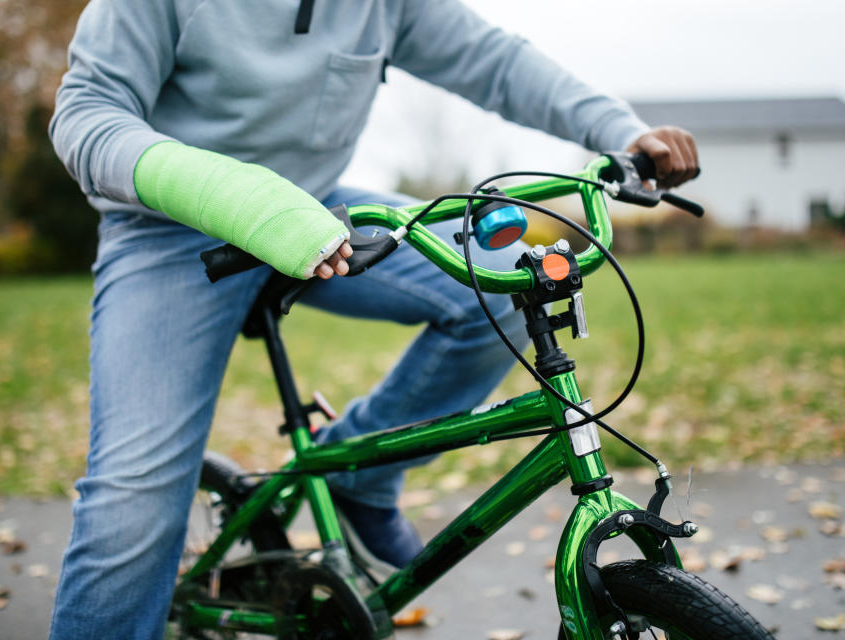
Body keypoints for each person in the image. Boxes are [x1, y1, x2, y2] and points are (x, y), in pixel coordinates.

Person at [47, 1, 699, 638]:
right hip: (169, 236)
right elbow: (84, 116)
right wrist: (231, 195)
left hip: (319, 209)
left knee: (500, 282)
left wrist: (617, 129)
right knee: (134, 499)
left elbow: (496, 61)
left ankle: (360, 471)